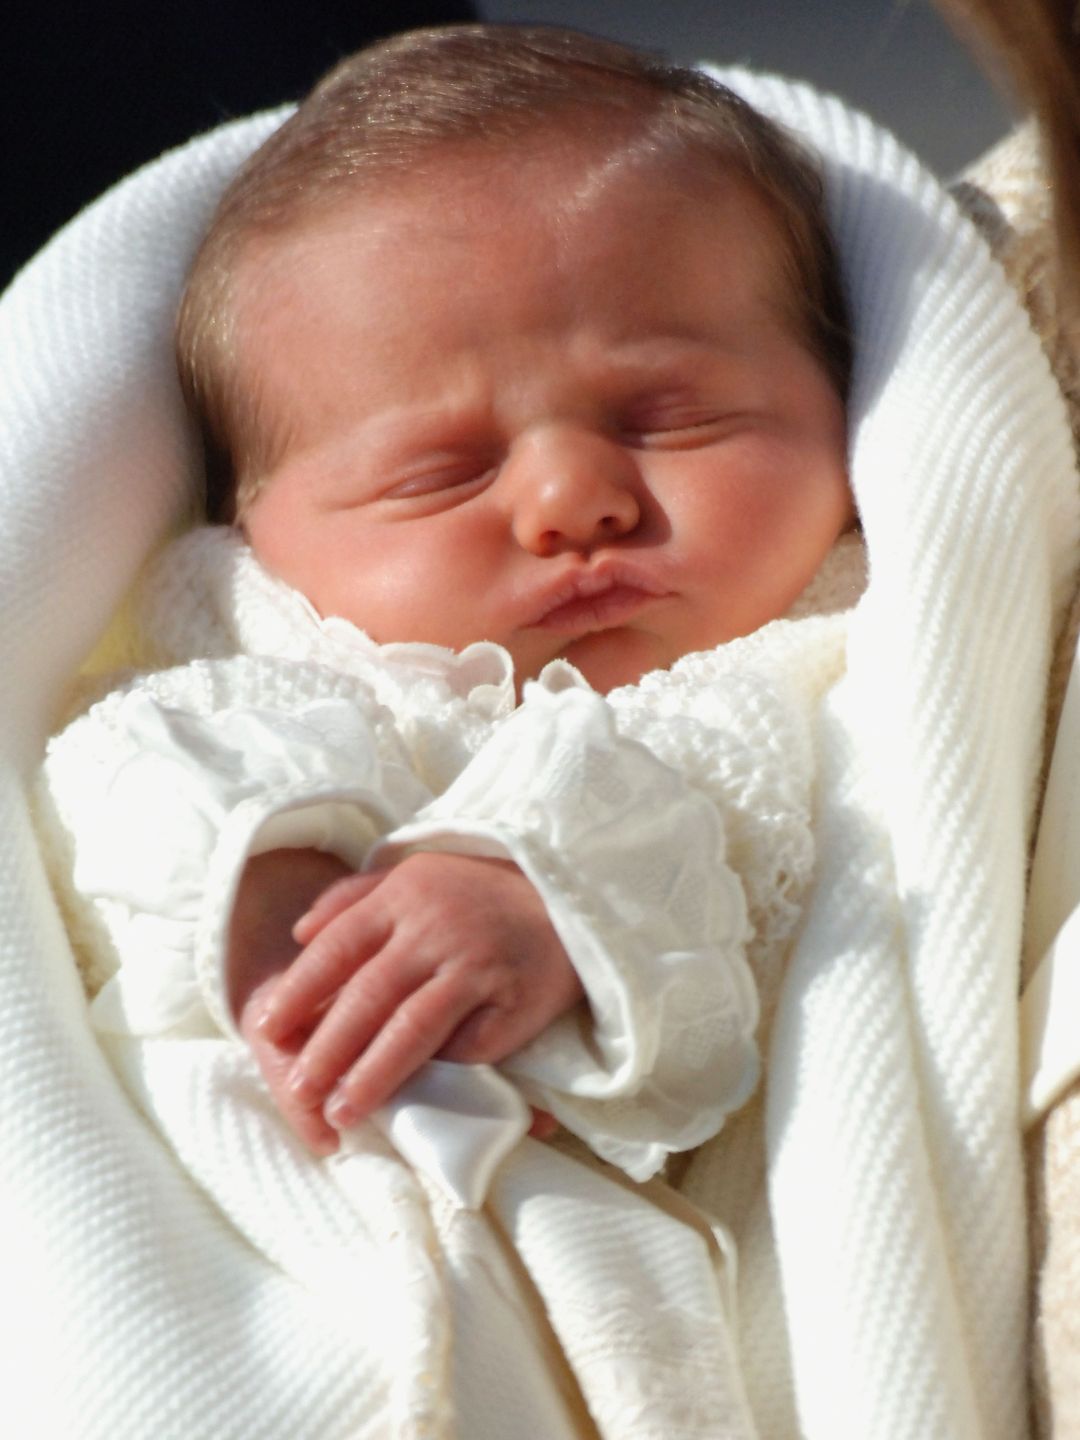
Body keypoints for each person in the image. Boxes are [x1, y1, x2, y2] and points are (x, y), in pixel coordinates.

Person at [32, 21, 1078, 1440]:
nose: (575, 498)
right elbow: (130, 769)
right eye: (442, 468)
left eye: (671, 415)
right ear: (251, 523)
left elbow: (763, 848)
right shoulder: (252, 648)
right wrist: (267, 868)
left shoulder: (830, 673)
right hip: (227, 1263)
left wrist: (547, 889)